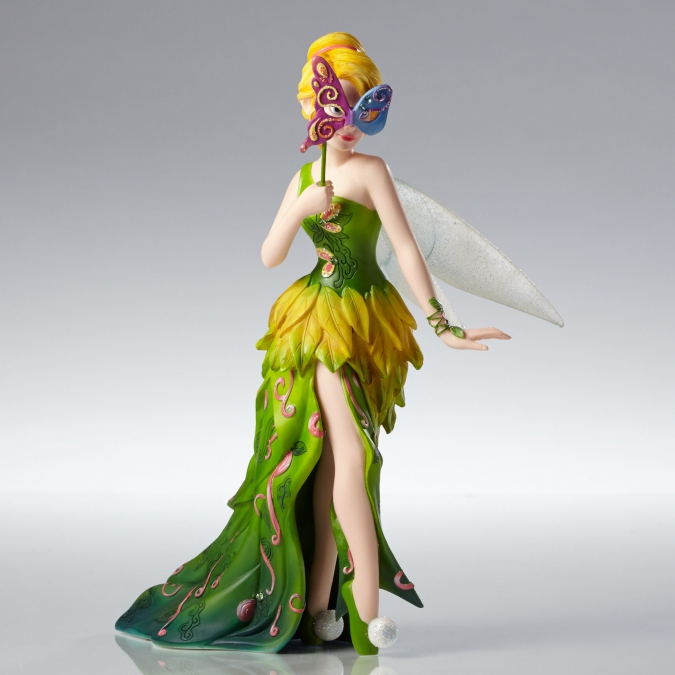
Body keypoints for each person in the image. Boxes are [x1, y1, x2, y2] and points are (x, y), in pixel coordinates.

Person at [115, 31, 509, 655]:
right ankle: (368, 613)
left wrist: (444, 325)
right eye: (336, 105)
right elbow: (270, 255)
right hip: (318, 324)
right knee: (351, 456)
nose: (348, 123)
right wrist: (300, 207)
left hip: (368, 320)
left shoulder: (372, 171)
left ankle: (323, 609)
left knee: (329, 466)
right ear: (310, 108)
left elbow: (406, 248)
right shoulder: (304, 176)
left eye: (363, 108)